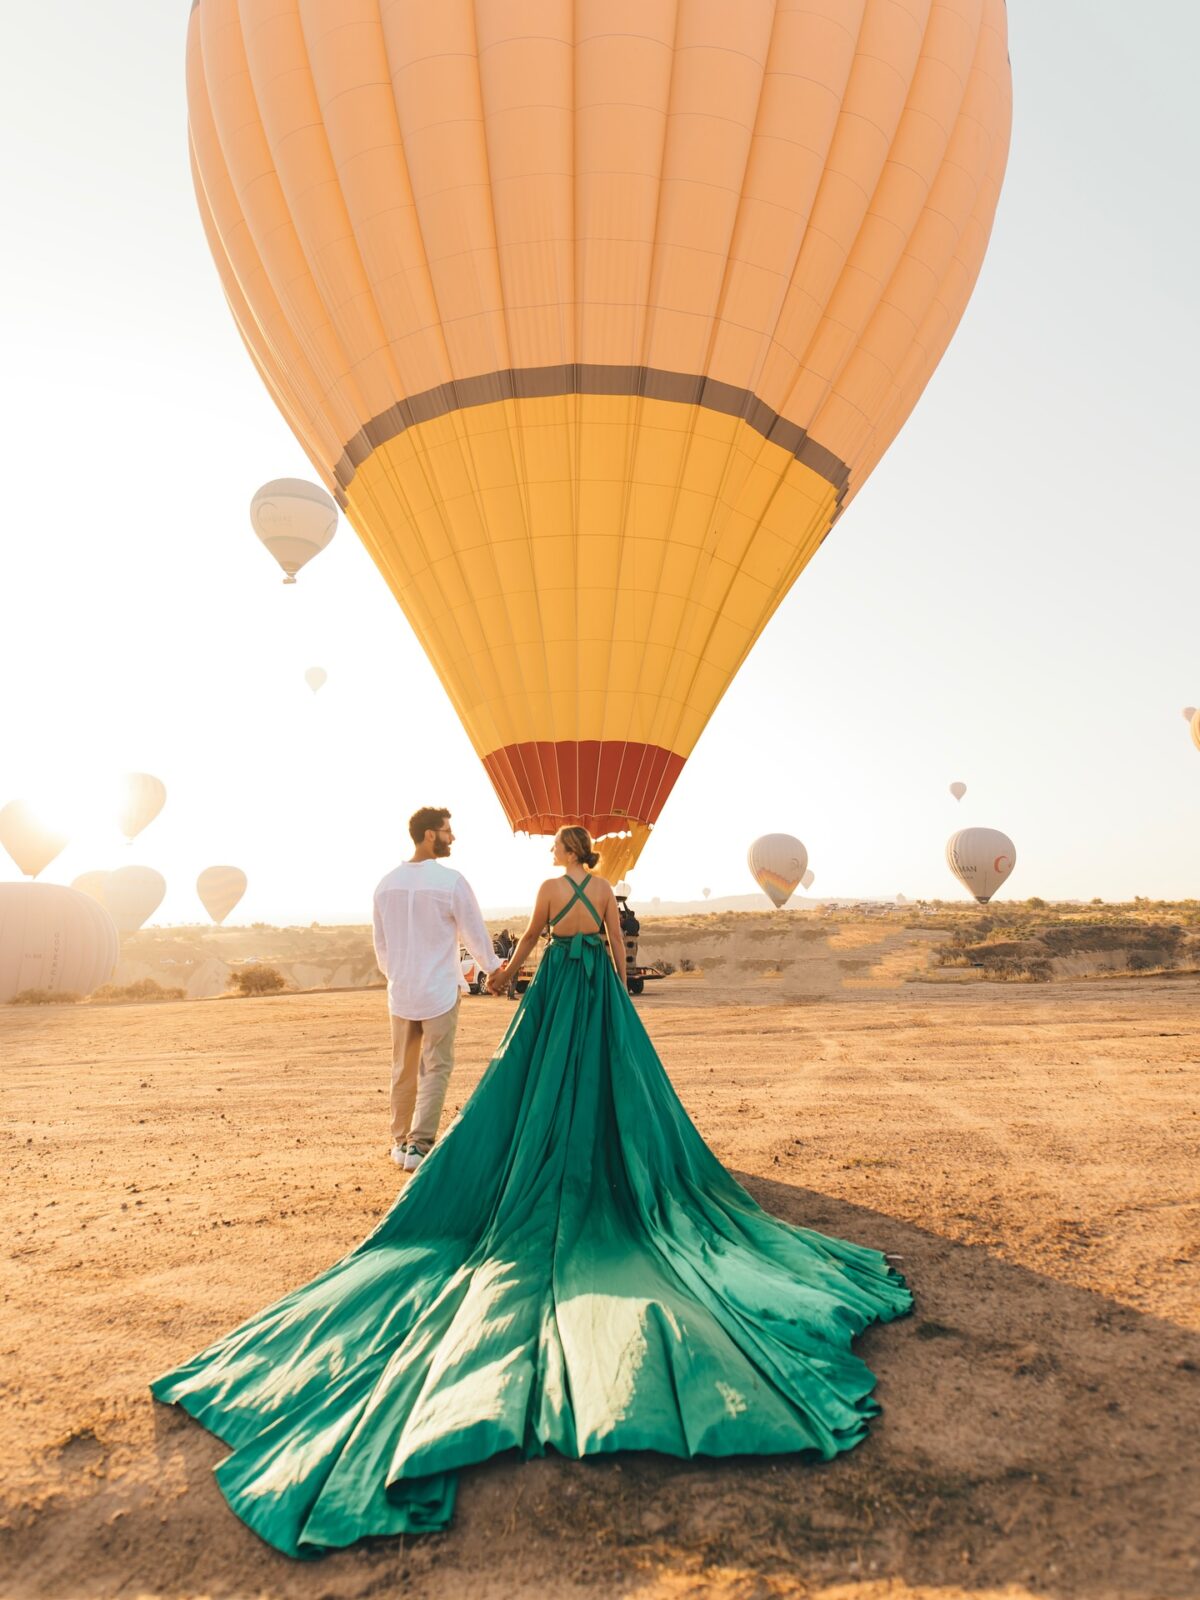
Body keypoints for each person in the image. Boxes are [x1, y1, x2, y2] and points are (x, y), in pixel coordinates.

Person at [151, 822, 911, 1557]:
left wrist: (506, 978)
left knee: (533, 1082)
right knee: (612, 1085)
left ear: (563, 851)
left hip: (557, 988)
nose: (552, 850)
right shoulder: (606, 889)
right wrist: (613, 990)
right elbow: (614, 947)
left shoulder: (549, 887)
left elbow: (538, 942)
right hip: (595, 996)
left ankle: (464, 1146)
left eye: (556, 843)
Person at [371, 806, 500, 1171]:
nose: (452, 837)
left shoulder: (385, 884)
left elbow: (380, 945)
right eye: (447, 831)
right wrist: (492, 970)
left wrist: (397, 975)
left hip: (402, 993)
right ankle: (419, 1145)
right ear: (430, 835)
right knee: (436, 1067)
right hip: (439, 992)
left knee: (403, 1068)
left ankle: (400, 1142)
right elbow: (474, 931)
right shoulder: (451, 882)